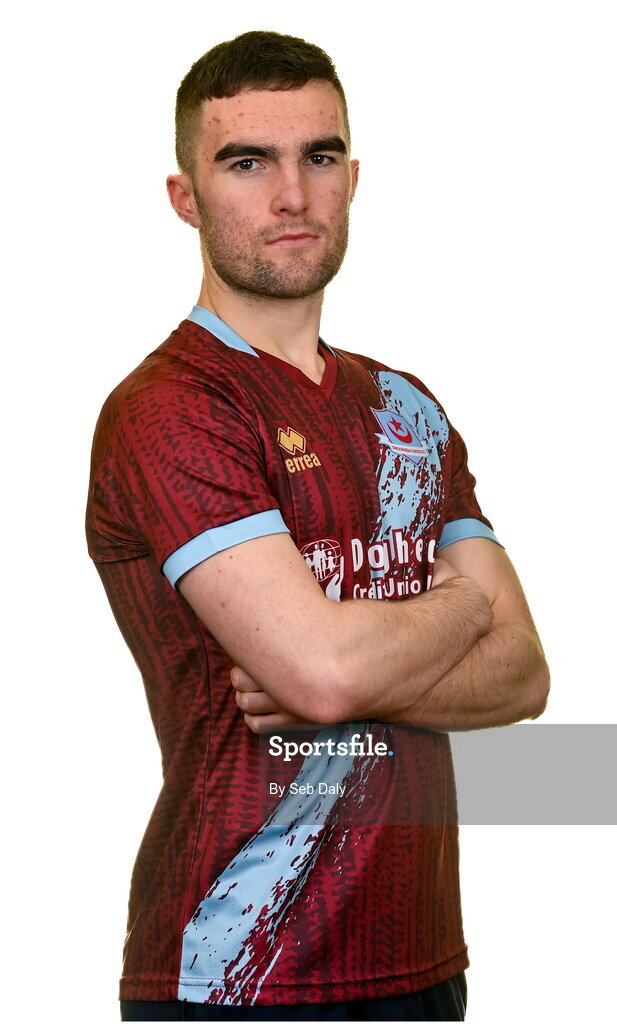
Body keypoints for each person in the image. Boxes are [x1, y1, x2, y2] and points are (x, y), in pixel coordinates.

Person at [86, 29, 549, 1022]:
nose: (290, 195)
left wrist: (351, 657)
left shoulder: (406, 408)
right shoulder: (173, 406)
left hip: (420, 956)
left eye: (319, 156)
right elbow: (322, 674)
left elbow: (524, 675)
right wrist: (459, 608)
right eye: (245, 162)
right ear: (186, 196)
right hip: (239, 973)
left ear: (351, 177)